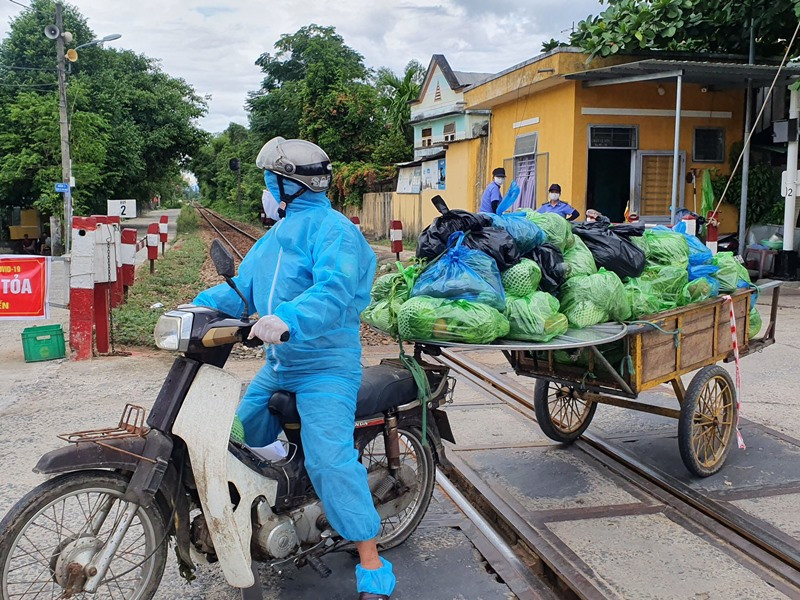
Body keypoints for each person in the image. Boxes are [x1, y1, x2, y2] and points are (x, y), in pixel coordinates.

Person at [193, 137, 395, 600]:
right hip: (280, 365)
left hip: (326, 367)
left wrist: (289, 318)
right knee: (237, 435)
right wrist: (195, 309)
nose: (266, 187)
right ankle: (276, 503)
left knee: (330, 458)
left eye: (271, 179)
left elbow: (335, 291)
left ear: (291, 184)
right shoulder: (273, 239)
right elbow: (242, 289)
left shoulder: (335, 231)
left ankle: (371, 562)